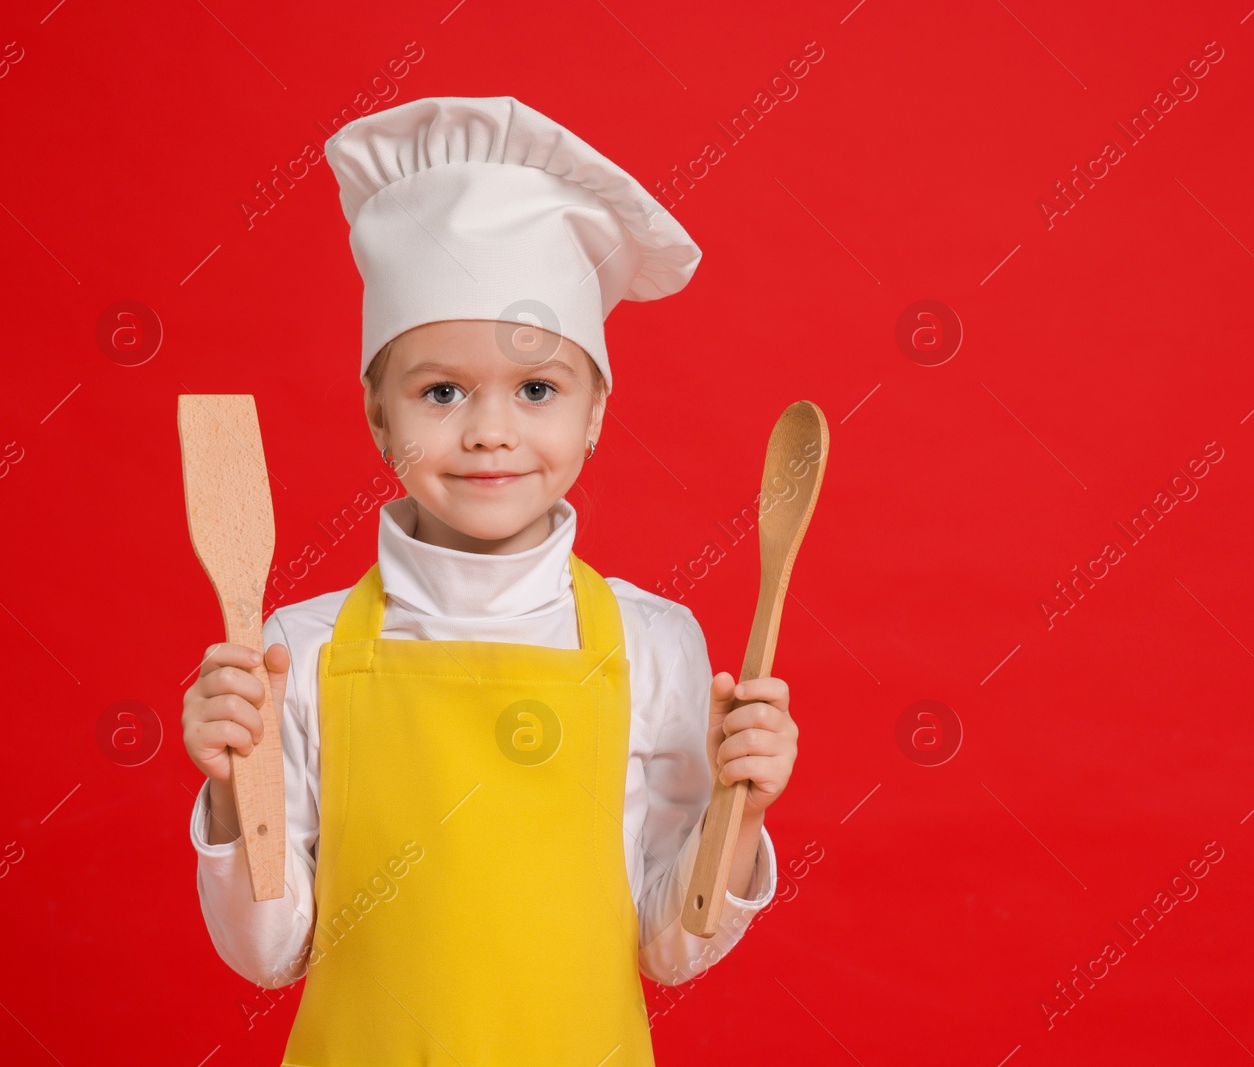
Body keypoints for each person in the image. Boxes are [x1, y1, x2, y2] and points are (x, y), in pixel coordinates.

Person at [180, 96, 800, 1066]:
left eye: (537, 388)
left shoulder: (654, 644)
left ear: (595, 410)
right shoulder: (296, 649)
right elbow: (273, 952)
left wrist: (743, 808)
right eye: (440, 390)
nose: (489, 432)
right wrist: (230, 788)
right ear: (380, 417)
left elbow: (668, 943)